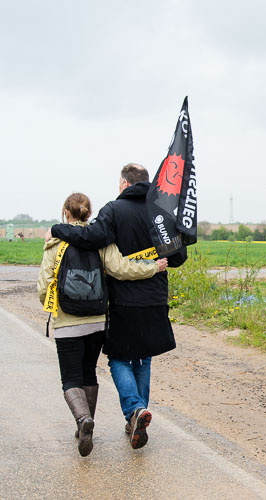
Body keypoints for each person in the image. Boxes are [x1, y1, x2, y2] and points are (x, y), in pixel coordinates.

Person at [49, 163, 187, 449]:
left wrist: (58, 229)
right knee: (144, 358)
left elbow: (91, 238)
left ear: (124, 184)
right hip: (155, 299)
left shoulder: (114, 210)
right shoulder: (163, 211)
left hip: (124, 301)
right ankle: (136, 417)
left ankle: (135, 411)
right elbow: (178, 258)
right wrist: (156, 259)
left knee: (120, 359)